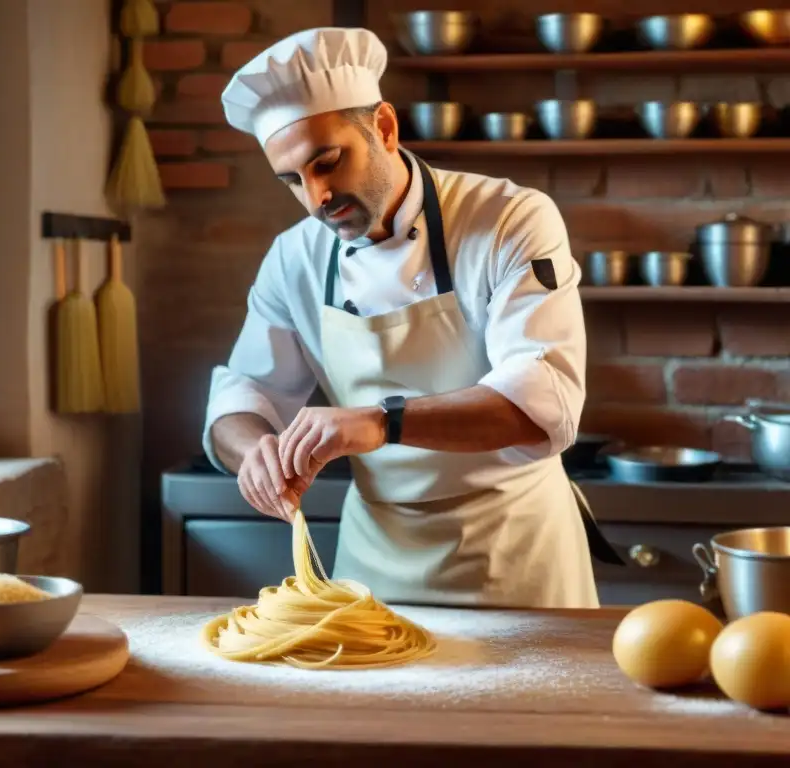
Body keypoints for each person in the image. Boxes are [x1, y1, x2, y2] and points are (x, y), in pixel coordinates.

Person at [200, 27, 622, 609]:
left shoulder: (509, 220)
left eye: (328, 163)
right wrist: (254, 456)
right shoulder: (293, 258)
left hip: (515, 555)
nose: (316, 197)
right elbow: (242, 399)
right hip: (376, 565)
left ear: (385, 129)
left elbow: (541, 405)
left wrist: (378, 422)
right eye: (293, 180)